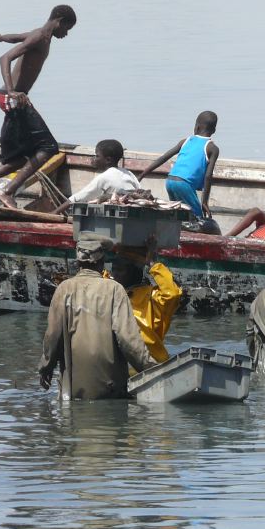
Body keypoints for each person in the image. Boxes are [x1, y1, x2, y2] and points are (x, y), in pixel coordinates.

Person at [0, 4, 76, 209]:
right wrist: (11, 91)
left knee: (20, 158)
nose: (66, 34)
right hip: (13, 99)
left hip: (15, 99)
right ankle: (7, 191)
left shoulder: (40, 35)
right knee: (48, 147)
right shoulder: (40, 37)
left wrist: (1, 37)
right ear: (60, 21)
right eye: (67, 28)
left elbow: (17, 37)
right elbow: (5, 58)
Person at [37, 232, 154, 398]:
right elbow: (128, 340)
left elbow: (52, 337)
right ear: (102, 261)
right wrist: (152, 369)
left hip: (72, 391)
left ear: (78, 261)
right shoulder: (115, 289)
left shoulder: (63, 289)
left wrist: (45, 368)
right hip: (110, 389)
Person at [142, 111, 220, 223]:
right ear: (214, 130)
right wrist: (204, 202)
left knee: (177, 215)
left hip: (170, 181)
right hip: (184, 184)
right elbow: (208, 176)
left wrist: (142, 175)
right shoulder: (212, 148)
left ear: (197, 127)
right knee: (197, 219)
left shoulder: (185, 141)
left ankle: (176, 232)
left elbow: (163, 158)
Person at [111, 250, 182, 363]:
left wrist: (153, 264)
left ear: (133, 273)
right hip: (118, 362)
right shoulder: (110, 292)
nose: (114, 275)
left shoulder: (151, 296)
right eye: (113, 270)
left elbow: (172, 294)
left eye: (119, 270)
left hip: (150, 361)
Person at [55, 138, 140, 213]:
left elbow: (77, 198)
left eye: (97, 156)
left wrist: (55, 212)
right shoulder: (129, 173)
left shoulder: (104, 177)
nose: (94, 158)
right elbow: (139, 191)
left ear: (108, 160)